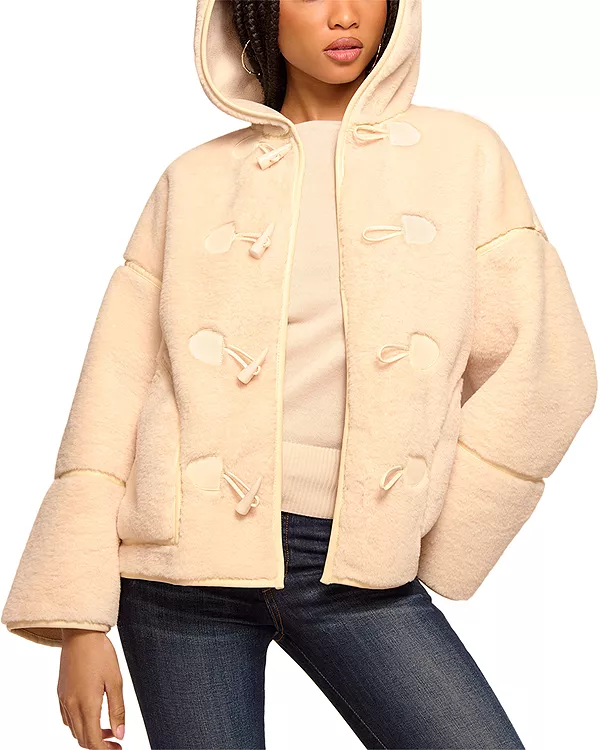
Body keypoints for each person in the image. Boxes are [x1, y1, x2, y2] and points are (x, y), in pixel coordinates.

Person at [2, 0, 597, 748]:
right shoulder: (193, 178)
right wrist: (78, 621)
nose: (346, 15)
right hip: (176, 575)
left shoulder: (464, 155)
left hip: (351, 566)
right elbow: (110, 394)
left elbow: (550, 369)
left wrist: (432, 533)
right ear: (259, 11)